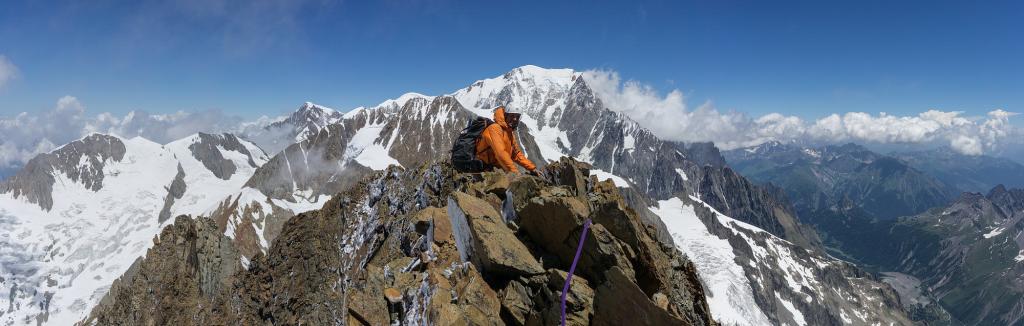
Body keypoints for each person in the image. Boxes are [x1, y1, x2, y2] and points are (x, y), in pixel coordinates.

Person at [475, 106, 538, 174]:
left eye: (517, 116)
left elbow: (516, 154)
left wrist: (532, 168)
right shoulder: (495, 128)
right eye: (512, 115)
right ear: (505, 115)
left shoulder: (509, 132)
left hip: (494, 169)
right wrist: (515, 172)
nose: (514, 119)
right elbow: (501, 153)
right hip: (482, 169)